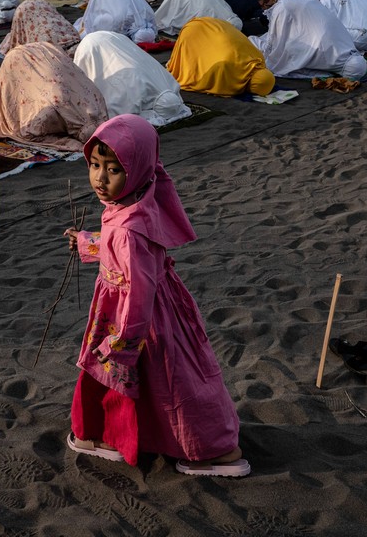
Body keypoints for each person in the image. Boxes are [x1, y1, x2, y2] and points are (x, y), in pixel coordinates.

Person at [63, 114, 250, 477]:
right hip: (157, 311)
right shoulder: (138, 199)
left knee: (157, 381)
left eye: (114, 170)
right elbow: (126, 251)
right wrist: (88, 242)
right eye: (95, 165)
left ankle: (210, 452)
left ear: (135, 170)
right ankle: (135, 439)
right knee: (170, 380)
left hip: (136, 319)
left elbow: (137, 282)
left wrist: (123, 343)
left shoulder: (129, 229)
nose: (100, 179)